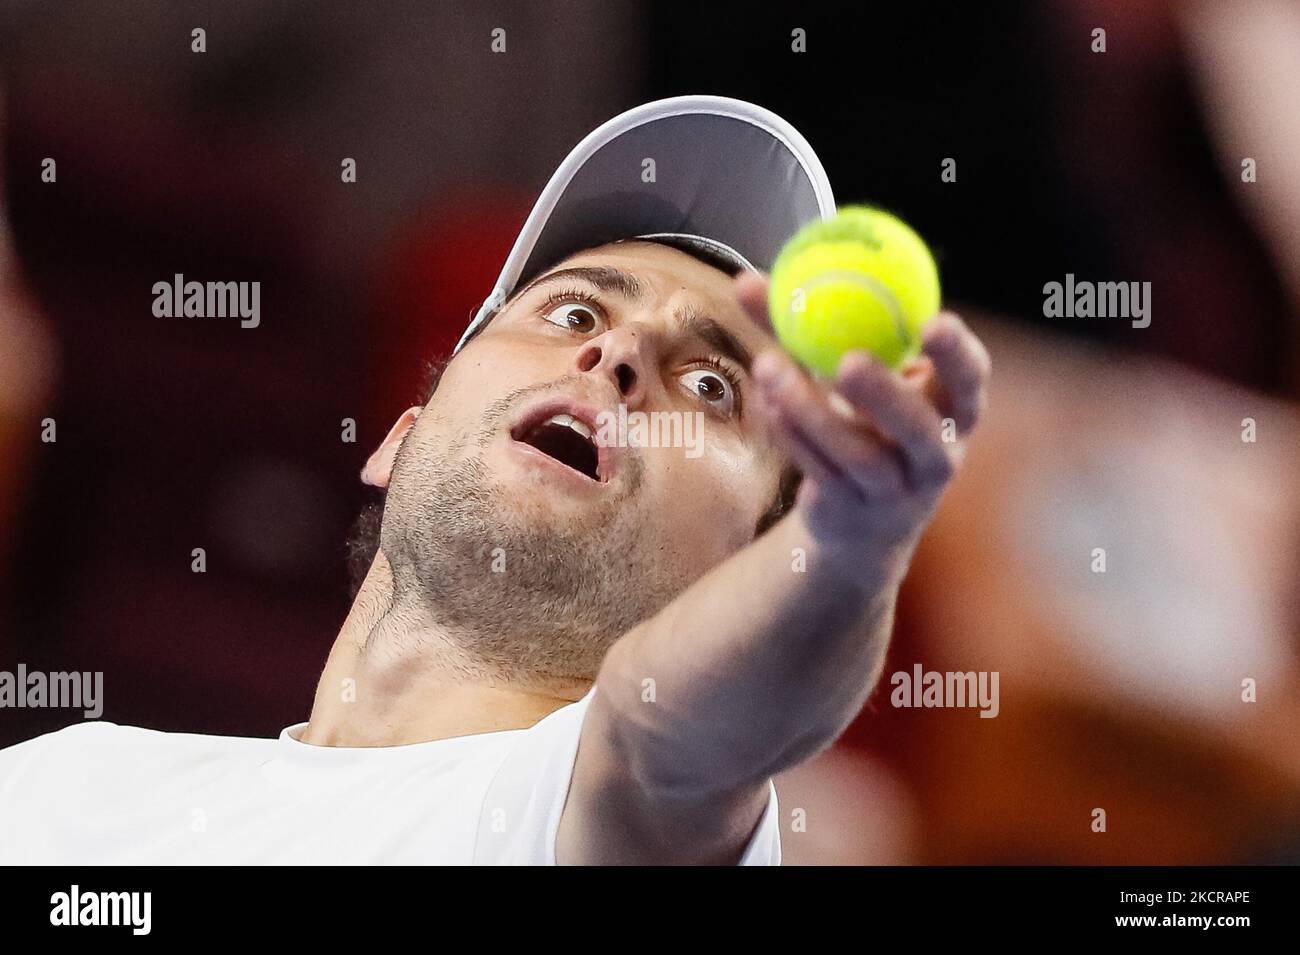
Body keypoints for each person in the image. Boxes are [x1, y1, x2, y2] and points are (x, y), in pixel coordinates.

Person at [0, 95, 989, 864]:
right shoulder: (63, 785)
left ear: (741, 566)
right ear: (400, 437)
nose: (620, 351)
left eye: (709, 383)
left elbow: (676, 737)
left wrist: (850, 547)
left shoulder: (595, 818)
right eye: (570, 315)